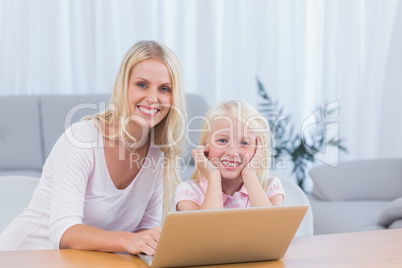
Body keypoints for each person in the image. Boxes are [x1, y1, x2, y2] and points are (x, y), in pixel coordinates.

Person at [0, 40, 186, 255]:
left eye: (165, 89)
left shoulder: (158, 152)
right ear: (122, 86)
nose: (153, 98)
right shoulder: (81, 139)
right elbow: (64, 231)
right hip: (21, 256)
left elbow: (146, 226)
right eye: (142, 84)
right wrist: (128, 240)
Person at [175, 100, 284, 211]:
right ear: (205, 145)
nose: (232, 152)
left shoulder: (270, 187)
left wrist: (249, 175)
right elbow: (209, 228)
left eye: (244, 143)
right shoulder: (189, 192)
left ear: (258, 149)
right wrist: (214, 177)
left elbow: (269, 227)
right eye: (222, 140)